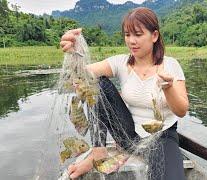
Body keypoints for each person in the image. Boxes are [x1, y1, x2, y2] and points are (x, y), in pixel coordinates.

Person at [60, 7, 189, 180]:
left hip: (162, 136)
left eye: (138, 34)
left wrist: (168, 88)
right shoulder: (120, 62)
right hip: (127, 134)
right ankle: (98, 152)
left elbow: (181, 111)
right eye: (128, 35)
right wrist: (75, 52)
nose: (132, 41)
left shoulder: (171, 65)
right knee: (97, 83)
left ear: (154, 36)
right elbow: (81, 76)